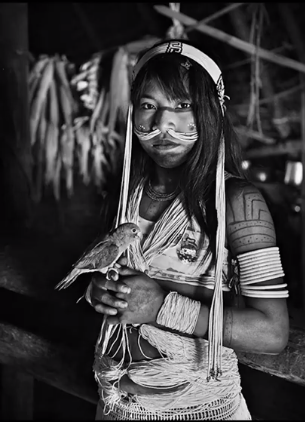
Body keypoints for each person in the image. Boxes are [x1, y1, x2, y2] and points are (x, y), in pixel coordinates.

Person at [85, 39, 290, 420]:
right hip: (115, 405)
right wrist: (103, 290)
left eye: (183, 106)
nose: (164, 124)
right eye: (149, 106)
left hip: (203, 409)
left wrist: (160, 306)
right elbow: (119, 277)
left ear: (211, 113)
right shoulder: (127, 194)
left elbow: (271, 333)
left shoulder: (237, 202)